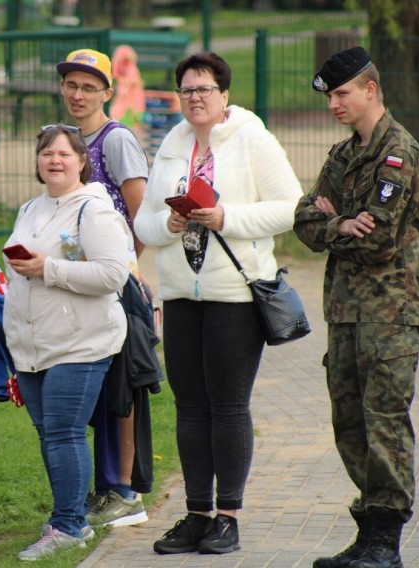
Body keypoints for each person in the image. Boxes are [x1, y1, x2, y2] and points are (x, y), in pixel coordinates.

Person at [133, 52, 302, 555]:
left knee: (227, 406)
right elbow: (142, 222)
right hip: (182, 296)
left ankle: (227, 516)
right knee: (190, 408)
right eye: (187, 90)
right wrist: (169, 225)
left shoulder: (252, 137)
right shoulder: (171, 144)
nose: (195, 98)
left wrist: (226, 217)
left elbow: (289, 207)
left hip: (235, 296)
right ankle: (195, 515)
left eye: (204, 89)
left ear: (224, 95)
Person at [295, 47, 419, 568]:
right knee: (349, 424)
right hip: (345, 313)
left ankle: (386, 542)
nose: (334, 103)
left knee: (385, 424)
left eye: (341, 93)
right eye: (330, 96)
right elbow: (304, 220)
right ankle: (369, 530)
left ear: (370, 89)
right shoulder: (344, 154)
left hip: (389, 315)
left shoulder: (399, 154)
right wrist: (337, 224)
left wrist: (340, 221)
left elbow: (378, 240)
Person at [4, 124, 131, 561]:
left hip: (81, 343)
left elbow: (113, 274)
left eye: (64, 153)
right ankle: (68, 516)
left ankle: (69, 526)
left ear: (82, 161)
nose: (54, 160)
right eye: (46, 153)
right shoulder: (29, 209)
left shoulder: (93, 211)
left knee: (64, 432)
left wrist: (48, 270)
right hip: (32, 346)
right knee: (50, 434)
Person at [55, 48, 153, 528]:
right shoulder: (66, 140)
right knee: (94, 389)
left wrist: (124, 264)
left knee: (122, 390)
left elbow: (141, 214)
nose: (77, 94)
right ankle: (104, 486)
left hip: (116, 283)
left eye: (88, 87)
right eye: (71, 85)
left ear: (107, 93)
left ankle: (126, 491)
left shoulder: (115, 141)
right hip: (81, 283)